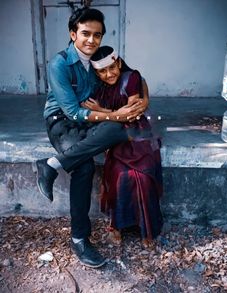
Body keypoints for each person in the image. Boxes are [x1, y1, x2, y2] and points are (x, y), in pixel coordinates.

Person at [35, 8, 148, 268]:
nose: (91, 40)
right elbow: (73, 111)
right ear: (73, 34)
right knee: (84, 166)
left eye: (97, 35)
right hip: (62, 122)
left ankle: (51, 164)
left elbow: (134, 76)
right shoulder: (60, 63)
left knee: (123, 128)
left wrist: (141, 103)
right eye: (85, 33)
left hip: (92, 120)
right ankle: (79, 239)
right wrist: (113, 114)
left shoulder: (99, 56)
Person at [84, 46, 163, 247]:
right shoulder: (99, 86)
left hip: (137, 135)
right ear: (96, 72)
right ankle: (117, 226)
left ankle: (147, 229)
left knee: (143, 177)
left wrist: (100, 110)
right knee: (118, 174)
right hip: (114, 135)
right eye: (102, 71)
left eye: (112, 68)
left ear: (118, 63)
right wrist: (104, 114)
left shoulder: (131, 78)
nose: (108, 74)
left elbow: (131, 113)